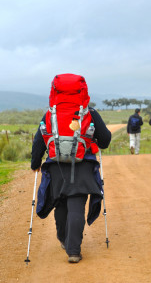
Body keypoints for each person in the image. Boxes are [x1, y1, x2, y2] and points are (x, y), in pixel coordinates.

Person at [31, 74, 111, 263]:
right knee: (77, 206)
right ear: (83, 91)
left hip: (56, 168)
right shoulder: (89, 113)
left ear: (55, 91)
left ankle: (63, 239)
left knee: (60, 203)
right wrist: (93, 141)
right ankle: (73, 251)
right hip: (82, 168)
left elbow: (38, 141)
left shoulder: (50, 114)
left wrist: (35, 164)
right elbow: (105, 140)